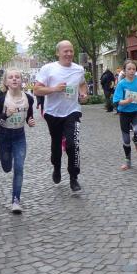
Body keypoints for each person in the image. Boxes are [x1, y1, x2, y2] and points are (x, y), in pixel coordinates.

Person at [34, 40, 88, 190]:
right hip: (53, 113)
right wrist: (54, 89)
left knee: (73, 144)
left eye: (71, 51)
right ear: (58, 53)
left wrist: (83, 94)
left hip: (73, 111)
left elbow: (82, 84)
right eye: (66, 51)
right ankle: (56, 167)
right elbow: (36, 90)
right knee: (56, 144)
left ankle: (73, 177)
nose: (69, 54)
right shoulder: (48, 69)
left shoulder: (79, 69)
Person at [0, 69, 35, 214]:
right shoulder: (1, 99)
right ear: (6, 82)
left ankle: (16, 200)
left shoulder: (28, 98)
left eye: (17, 77)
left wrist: (30, 121)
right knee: (7, 167)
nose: (14, 79)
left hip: (19, 136)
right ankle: (6, 162)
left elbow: (29, 116)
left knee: (19, 167)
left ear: (21, 80)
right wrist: (5, 114)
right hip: (3, 136)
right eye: (11, 77)